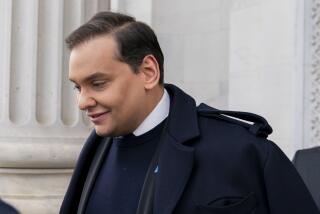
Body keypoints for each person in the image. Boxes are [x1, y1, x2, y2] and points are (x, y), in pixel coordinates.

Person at [60, 11, 320, 214]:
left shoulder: (244, 151)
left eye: (97, 83)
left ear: (149, 72)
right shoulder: (94, 151)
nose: (82, 102)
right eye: (77, 87)